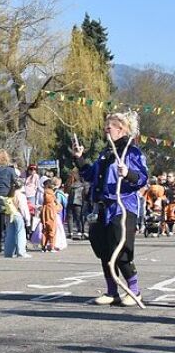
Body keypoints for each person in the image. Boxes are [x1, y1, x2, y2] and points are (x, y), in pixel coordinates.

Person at [72, 111, 148, 306]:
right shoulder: (105, 154)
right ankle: (112, 291)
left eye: (109, 127)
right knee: (104, 250)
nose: (106, 131)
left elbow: (142, 178)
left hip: (123, 207)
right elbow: (90, 175)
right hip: (102, 208)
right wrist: (79, 159)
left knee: (120, 249)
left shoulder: (132, 153)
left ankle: (134, 291)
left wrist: (128, 173)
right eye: (105, 128)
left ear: (120, 129)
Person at [2, 178, 30, 258]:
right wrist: (28, 220)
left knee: (10, 234)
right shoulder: (21, 195)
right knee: (20, 233)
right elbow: (23, 209)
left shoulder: (9, 194)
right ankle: (21, 252)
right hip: (18, 215)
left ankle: (8, 252)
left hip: (9, 215)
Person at [65, 169, 86, 239]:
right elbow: (85, 193)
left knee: (70, 217)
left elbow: (66, 191)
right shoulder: (82, 184)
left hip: (70, 202)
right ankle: (80, 231)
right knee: (79, 218)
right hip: (79, 202)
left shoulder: (69, 183)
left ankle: (70, 232)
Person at [39, 184, 60, 252]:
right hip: (51, 214)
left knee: (45, 230)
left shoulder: (44, 203)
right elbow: (58, 205)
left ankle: (43, 246)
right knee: (52, 230)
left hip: (44, 214)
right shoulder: (52, 196)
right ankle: (52, 246)